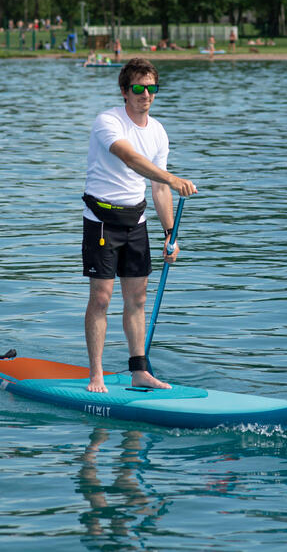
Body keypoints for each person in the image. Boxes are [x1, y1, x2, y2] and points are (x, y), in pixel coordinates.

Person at [82, 58, 197, 394]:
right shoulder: (108, 122)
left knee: (137, 299)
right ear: (124, 91)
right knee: (101, 299)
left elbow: (158, 188)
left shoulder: (158, 131)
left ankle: (139, 372)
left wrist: (169, 234)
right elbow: (132, 160)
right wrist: (174, 178)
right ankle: (96, 375)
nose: (145, 94)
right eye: (138, 88)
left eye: (151, 88)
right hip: (102, 222)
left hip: (136, 222)